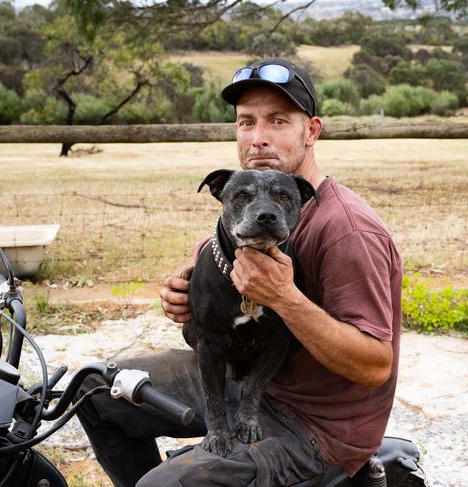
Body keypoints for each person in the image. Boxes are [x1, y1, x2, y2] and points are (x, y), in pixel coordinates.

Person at [75, 58, 402, 487]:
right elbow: (214, 265)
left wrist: (285, 298)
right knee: (96, 390)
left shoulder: (347, 231)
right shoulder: (251, 206)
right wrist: (181, 292)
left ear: (312, 131)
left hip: (314, 427)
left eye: (278, 121)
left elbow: (375, 366)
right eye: (246, 123)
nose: (259, 138)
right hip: (240, 379)